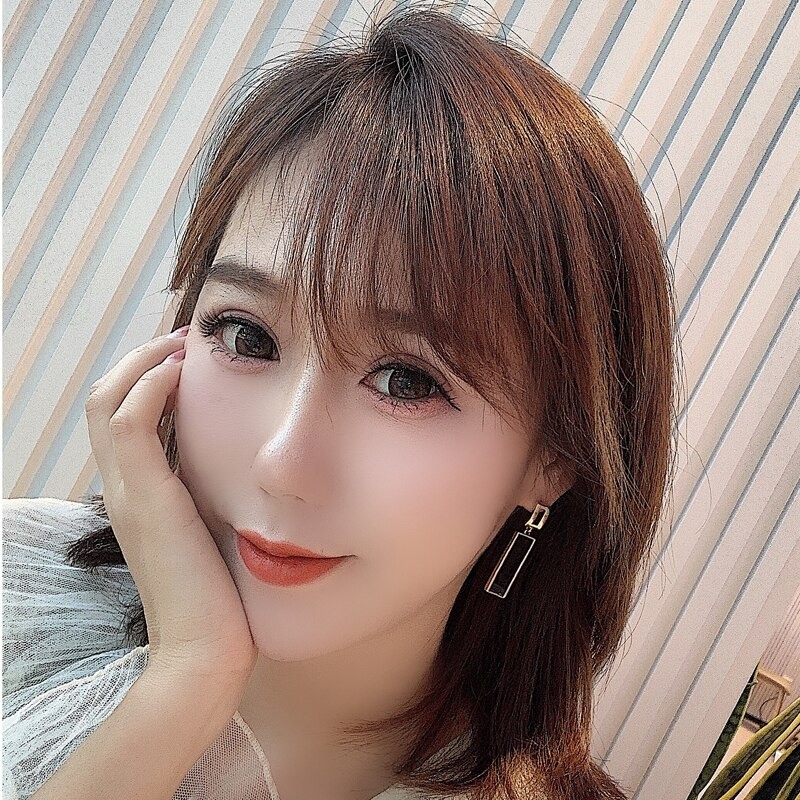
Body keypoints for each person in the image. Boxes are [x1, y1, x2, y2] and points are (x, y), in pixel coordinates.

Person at [2, 5, 679, 800]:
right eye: (248, 336)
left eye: (407, 382)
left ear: (553, 459)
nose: (282, 464)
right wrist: (187, 682)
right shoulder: (20, 594)